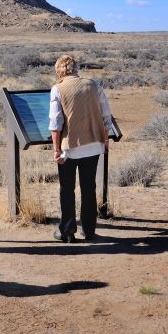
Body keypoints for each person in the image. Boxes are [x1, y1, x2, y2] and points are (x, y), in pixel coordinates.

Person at [48, 54, 112, 243]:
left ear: (59, 70)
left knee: (67, 189)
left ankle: (67, 231)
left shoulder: (58, 89)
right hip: (93, 145)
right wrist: (105, 140)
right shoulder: (94, 85)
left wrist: (56, 149)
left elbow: (56, 122)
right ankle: (89, 231)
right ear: (75, 68)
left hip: (71, 148)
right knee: (88, 188)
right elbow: (106, 115)